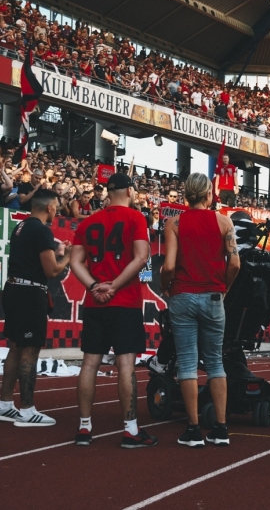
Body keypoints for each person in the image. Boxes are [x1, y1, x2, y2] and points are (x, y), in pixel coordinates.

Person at [71, 172, 157, 448]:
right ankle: (130, 429)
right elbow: (142, 258)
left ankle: (84, 427)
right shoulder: (135, 218)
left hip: (96, 303)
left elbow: (75, 262)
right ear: (130, 191)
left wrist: (96, 286)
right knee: (126, 365)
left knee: (89, 363)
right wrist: (115, 286)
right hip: (125, 301)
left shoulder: (89, 221)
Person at [161, 173, 241, 448]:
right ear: (209, 195)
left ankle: (193, 429)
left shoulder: (174, 223)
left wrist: (165, 287)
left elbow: (169, 266)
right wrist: (224, 287)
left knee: (186, 362)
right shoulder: (224, 222)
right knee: (215, 362)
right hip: (213, 296)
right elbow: (235, 263)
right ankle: (221, 428)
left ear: (186, 196)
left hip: (183, 294)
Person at [0, 189, 71, 427]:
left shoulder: (21, 227)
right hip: (29, 294)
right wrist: (69, 257)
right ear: (49, 207)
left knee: (15, 348)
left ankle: (4, 404)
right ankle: (27, 410)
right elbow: (52, 271)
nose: (57, 210)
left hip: (14, 289)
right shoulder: (42, 230)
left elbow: (34, 259)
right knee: (29, 351)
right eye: (56, 205)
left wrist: (57, 253)